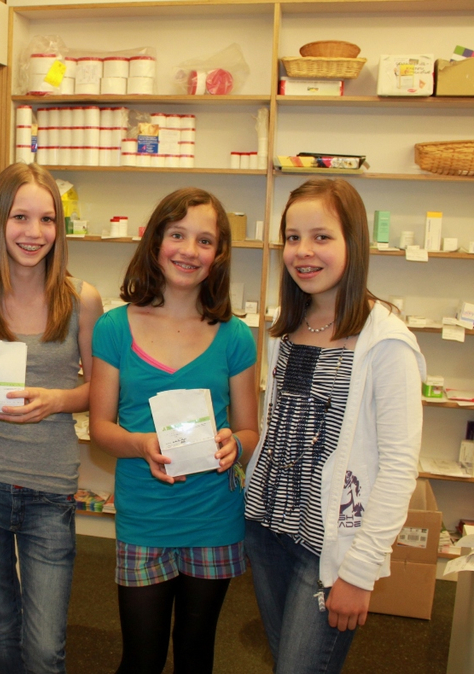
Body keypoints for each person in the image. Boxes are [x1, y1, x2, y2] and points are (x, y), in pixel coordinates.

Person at [243, 179, 424, 673]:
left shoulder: (385, 342)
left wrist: (360, 571)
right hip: (267, 528)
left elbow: (398, 467)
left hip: (329, 547)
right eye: (293, 237)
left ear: (353, 243)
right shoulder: (285, 327)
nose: (303, 251)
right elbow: (282, 428)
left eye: (321, 237)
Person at [0, 162, 103, 673]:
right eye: (20, 217)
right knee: (1, 625)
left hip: (49, 489)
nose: (34, 232)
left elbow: (100, 392)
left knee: (45, 645)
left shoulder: (81, 300)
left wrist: (55, 401)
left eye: (47, 219)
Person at [88, 187, 259, 674]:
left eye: (205, 241)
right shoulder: (114, 328)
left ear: (218, 255)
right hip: (145, 517)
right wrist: (142, 444)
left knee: (195, 654)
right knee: (140, 659)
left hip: (214, 517)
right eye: (177, 235)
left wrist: (234, 444)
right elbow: (100, 428)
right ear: (156, 241)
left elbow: (250, 430)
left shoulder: (234, 335)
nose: (189, 250)